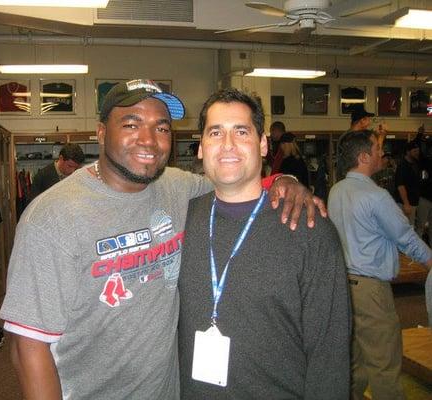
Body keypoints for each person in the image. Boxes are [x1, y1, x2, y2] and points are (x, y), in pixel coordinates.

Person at [0, 79, 325, 400]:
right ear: (101, 132)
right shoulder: (53, 216)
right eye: (131, 124)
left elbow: (236, 181)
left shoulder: (177, 187)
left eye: (162, 128)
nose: (149, 140)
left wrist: (284, 179)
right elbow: (28, 346)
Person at [178, 88, 350, 399]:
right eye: (215, 132)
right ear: (201, 147)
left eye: (241, 131)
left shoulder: (309, 228)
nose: (227, 144)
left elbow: (330, 350)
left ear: (262, 144)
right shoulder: (182, 219)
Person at [328, 129, 432, 400]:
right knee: (385, 364)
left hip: (346, 288)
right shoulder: (376, 196)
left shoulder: (336, 191)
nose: (381, 154)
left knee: (357, 360)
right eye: (377, 149)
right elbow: (406, 238)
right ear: (364, 157)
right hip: (372, 291)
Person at [394, 140, 422, 226]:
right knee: (404, 229)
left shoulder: (416, 163)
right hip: (404, 203)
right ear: (408, 152)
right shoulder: (402, 165)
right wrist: (406, 204)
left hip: (414, 202)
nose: (417, 153)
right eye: (415, 151)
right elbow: (400, 186)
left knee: (411, 227)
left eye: (418, 151)